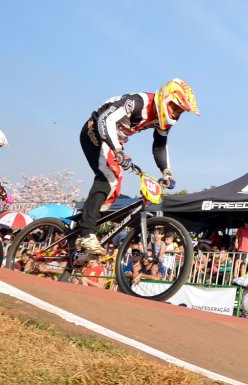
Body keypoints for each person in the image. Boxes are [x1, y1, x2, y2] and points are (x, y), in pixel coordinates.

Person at [75, 79, 199, 255]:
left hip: (115, 142)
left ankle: (80, 229)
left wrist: (166, 172)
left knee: (115, 186)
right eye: (175, 108)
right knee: (110, 175)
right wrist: (117, 150)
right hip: (95, 130)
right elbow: (105, 120)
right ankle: (87, 232)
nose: (175, 114)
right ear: (165, 98)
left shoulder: (162, 121)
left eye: (180, 112)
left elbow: (160, 146)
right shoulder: (138, 102)